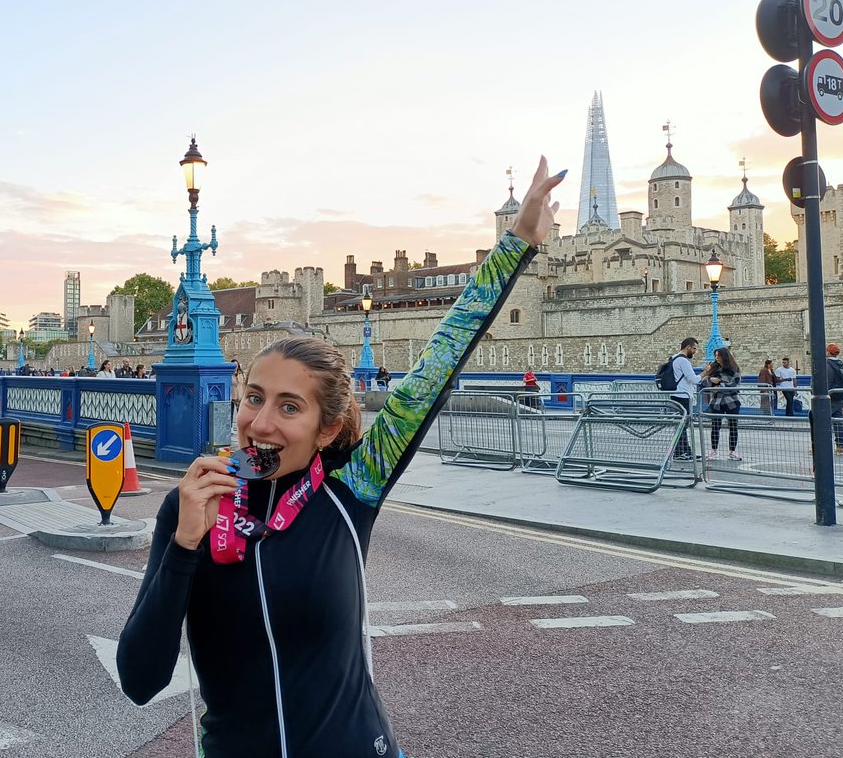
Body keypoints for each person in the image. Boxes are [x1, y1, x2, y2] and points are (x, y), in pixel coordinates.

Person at [116, 156, 563, 757]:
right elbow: (140, 682)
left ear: (326, 431)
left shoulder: (353, 490)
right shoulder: (192, 507)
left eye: (289, 407)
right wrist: (183, 548)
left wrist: (517, 245)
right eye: (253, 398)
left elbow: (439, 362)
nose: (261, 422)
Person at [701, 347, 742, 460]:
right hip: (716, 402)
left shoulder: (734, 368)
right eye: (715, 356)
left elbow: (735, 385)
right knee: (715, 426)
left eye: (718, 356)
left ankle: (732, 451)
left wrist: (719, 386)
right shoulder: (714, 368)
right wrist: (710, 380)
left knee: (733, 426)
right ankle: (714, 450)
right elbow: (703, 382)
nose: (716, 358)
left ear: (724, 356)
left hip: (731, 401)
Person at [668, 338, 702, 459]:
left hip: (675, 394)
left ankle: (684, 450)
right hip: (683, 396)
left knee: (681, 424)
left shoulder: (674, 358)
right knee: (683, 425)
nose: (694, 351)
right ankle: (681, 452)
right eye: (694, 349)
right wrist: (705, 373)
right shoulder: (684, 361)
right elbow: (694, 379)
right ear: (688, 347)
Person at [825, 344, 843, 456]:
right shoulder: (841, 364)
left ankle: (817, 446)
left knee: (820, 422)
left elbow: (825, 380)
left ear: (828, 352)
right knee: (838, 422)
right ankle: (840, 446)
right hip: (839, 396)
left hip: (827, 397)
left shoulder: (826, 364)